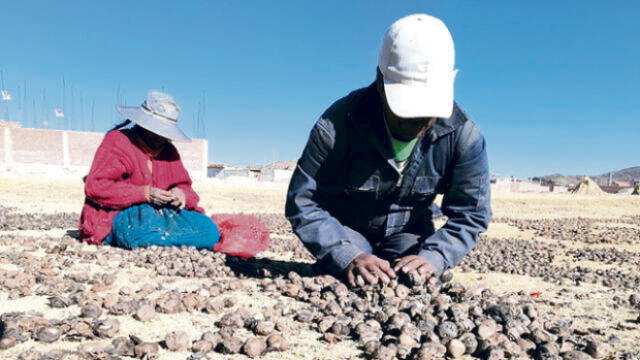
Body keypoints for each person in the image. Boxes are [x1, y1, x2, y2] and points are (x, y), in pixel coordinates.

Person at [285, 14, 491, 287]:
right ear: (380, 81)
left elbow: (472, 214)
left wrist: (435, 257)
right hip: (348, 232)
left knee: (414, 277)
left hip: (409, 234)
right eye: (406, 112)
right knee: (352, 276)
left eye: (427, 112)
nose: (419, 124)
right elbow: (303, 201)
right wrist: (346, 255)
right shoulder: (337, 126)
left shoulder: (463, 136)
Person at [78, 91, 220, 250]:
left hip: (159, 215)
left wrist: (181, 195)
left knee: (209, 230)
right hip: (120, 215)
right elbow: (96, 186)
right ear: (143, 124)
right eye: (156, 131)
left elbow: (187, 189)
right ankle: (166, 240)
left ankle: (165, 240)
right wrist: (145, 194)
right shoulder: (118, 141)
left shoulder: (169, 151)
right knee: (145, 231)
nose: (161, 137)